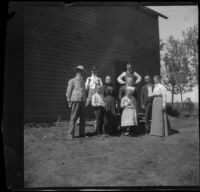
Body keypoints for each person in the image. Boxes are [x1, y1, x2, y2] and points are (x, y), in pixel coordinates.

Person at [66, 66, 86, 140]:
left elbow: (84, 91)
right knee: (73, 118)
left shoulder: (83, 81)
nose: (81, 73)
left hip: (82, 101)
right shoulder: (72, 81)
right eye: (80, 71)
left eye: (82, 72)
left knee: (83, 118)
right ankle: (70, 134)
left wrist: (85, 99)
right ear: (77, 72)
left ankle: (82, 134)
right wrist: (69, 100)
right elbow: (68, 91)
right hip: (75, 100)